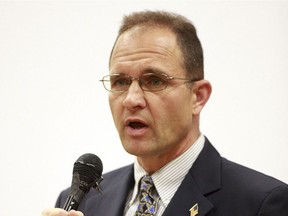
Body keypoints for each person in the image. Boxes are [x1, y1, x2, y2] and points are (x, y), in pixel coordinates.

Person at [41, 10, 288, 216]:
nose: (132, 99)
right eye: (120, 82)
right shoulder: (81, 203)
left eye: (155, 81)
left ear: (198, 96)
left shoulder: (260, 203)